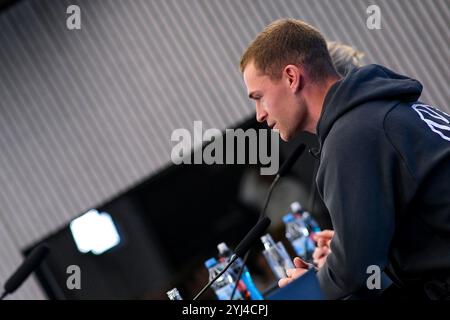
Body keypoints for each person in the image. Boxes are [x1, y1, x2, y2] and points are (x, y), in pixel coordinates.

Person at [240, 18, 450, 299]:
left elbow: (353, 273)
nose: (259, 114)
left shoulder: (352, 135)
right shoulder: (379, 110)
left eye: (259, 97)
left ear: (291, 77)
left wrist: (310, 285)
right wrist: (346, 247)